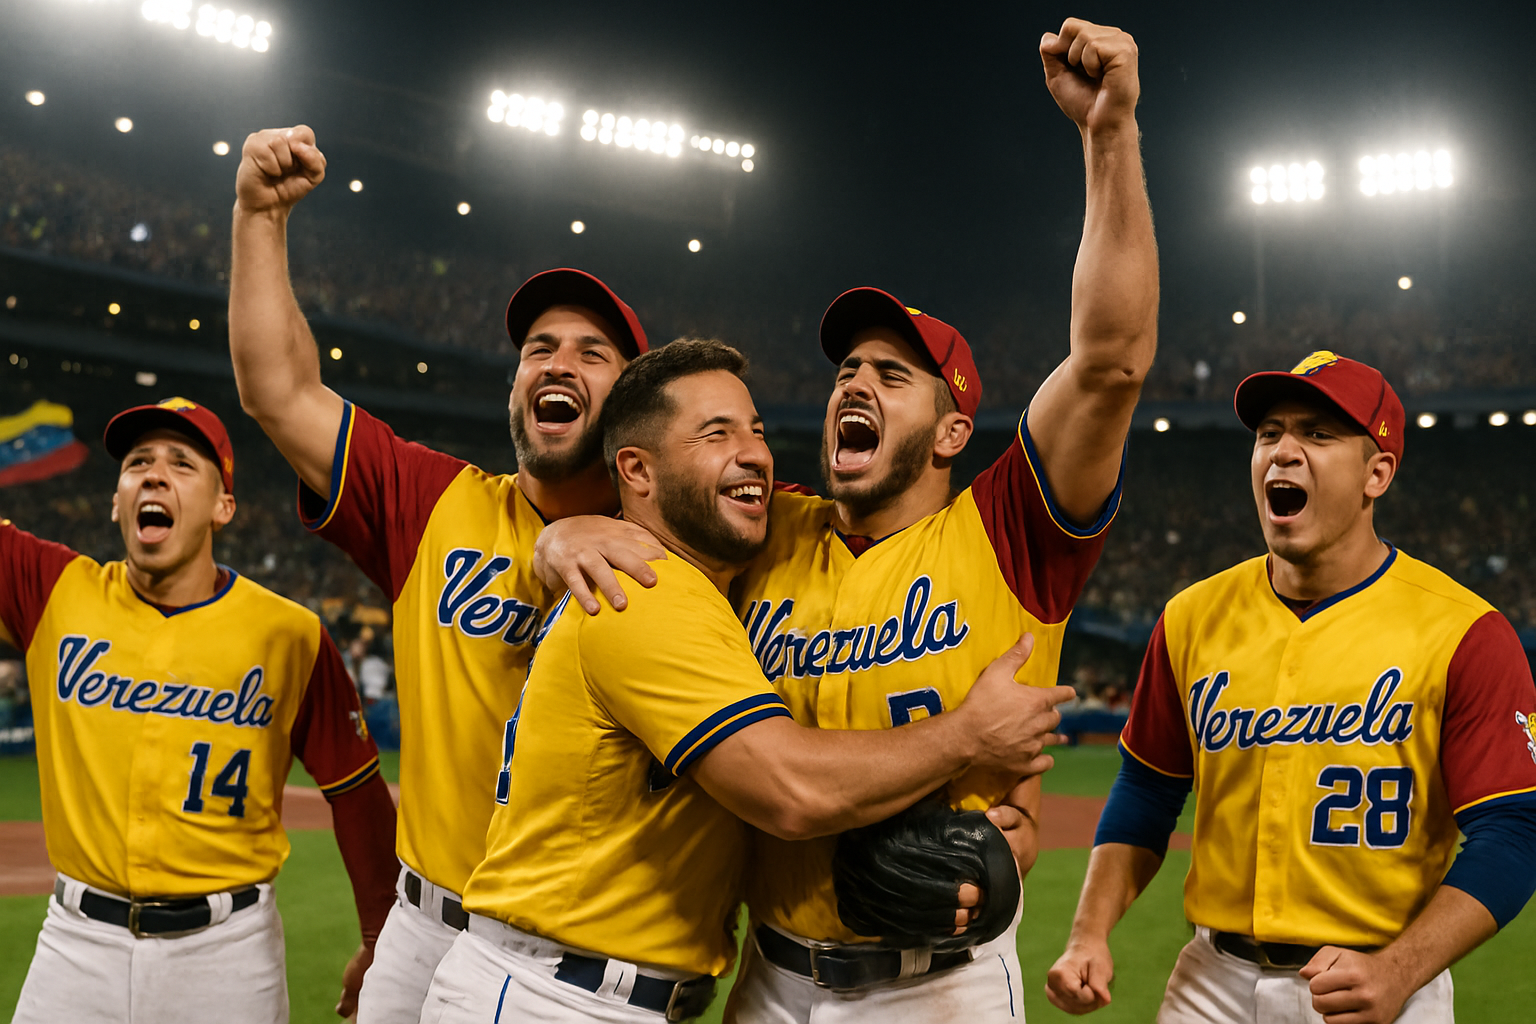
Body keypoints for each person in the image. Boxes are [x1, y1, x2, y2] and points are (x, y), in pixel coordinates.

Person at [537, 17, 1157, 1021]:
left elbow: (1112, 361)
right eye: (847, 370)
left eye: (893, 374)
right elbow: (643, 477)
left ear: (953, 430)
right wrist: (561, 532)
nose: (855, 383)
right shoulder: (768, 528)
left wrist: (1109, 135)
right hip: (771, 975)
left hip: (937, 983)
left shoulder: (1010, 532)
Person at [421, 338, 1075, 1024]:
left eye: (757, 430)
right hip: (552, 996)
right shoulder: (639, 595)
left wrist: (1021, 813)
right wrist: (969, 736)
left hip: (595, 988)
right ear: (637, 471)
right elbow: (789, 789)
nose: (756, 453)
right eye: (717, 433)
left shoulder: (719, 574)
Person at [227, 124, 659, 1023]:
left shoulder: (678, 540)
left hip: (567, 953)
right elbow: (280, 390)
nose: (557, 362)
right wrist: (258, 216)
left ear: (634, 399)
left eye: (592, 352)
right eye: (538, 348)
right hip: (422, 925)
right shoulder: (432, 501)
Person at [1046, 352, 1536, 1023]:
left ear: (1377, 473)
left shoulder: (1465, 632)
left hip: (1379, 980)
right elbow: (1148, 791)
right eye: (1269, 433)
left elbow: (1512, 830)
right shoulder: (1191, 616)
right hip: (1211, 981)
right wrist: (1088, 934)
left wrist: (1401, 970)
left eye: (1317, 434)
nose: (1283, 450)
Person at [0, 397, 398, 1023]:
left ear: (223, 507)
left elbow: (356, 792)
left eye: (182, 464)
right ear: (116, 502)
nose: (154, 475)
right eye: (137, 463)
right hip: (75, 945)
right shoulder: (52, 587)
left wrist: (379, 940)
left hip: (227, 955)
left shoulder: (288, 634)